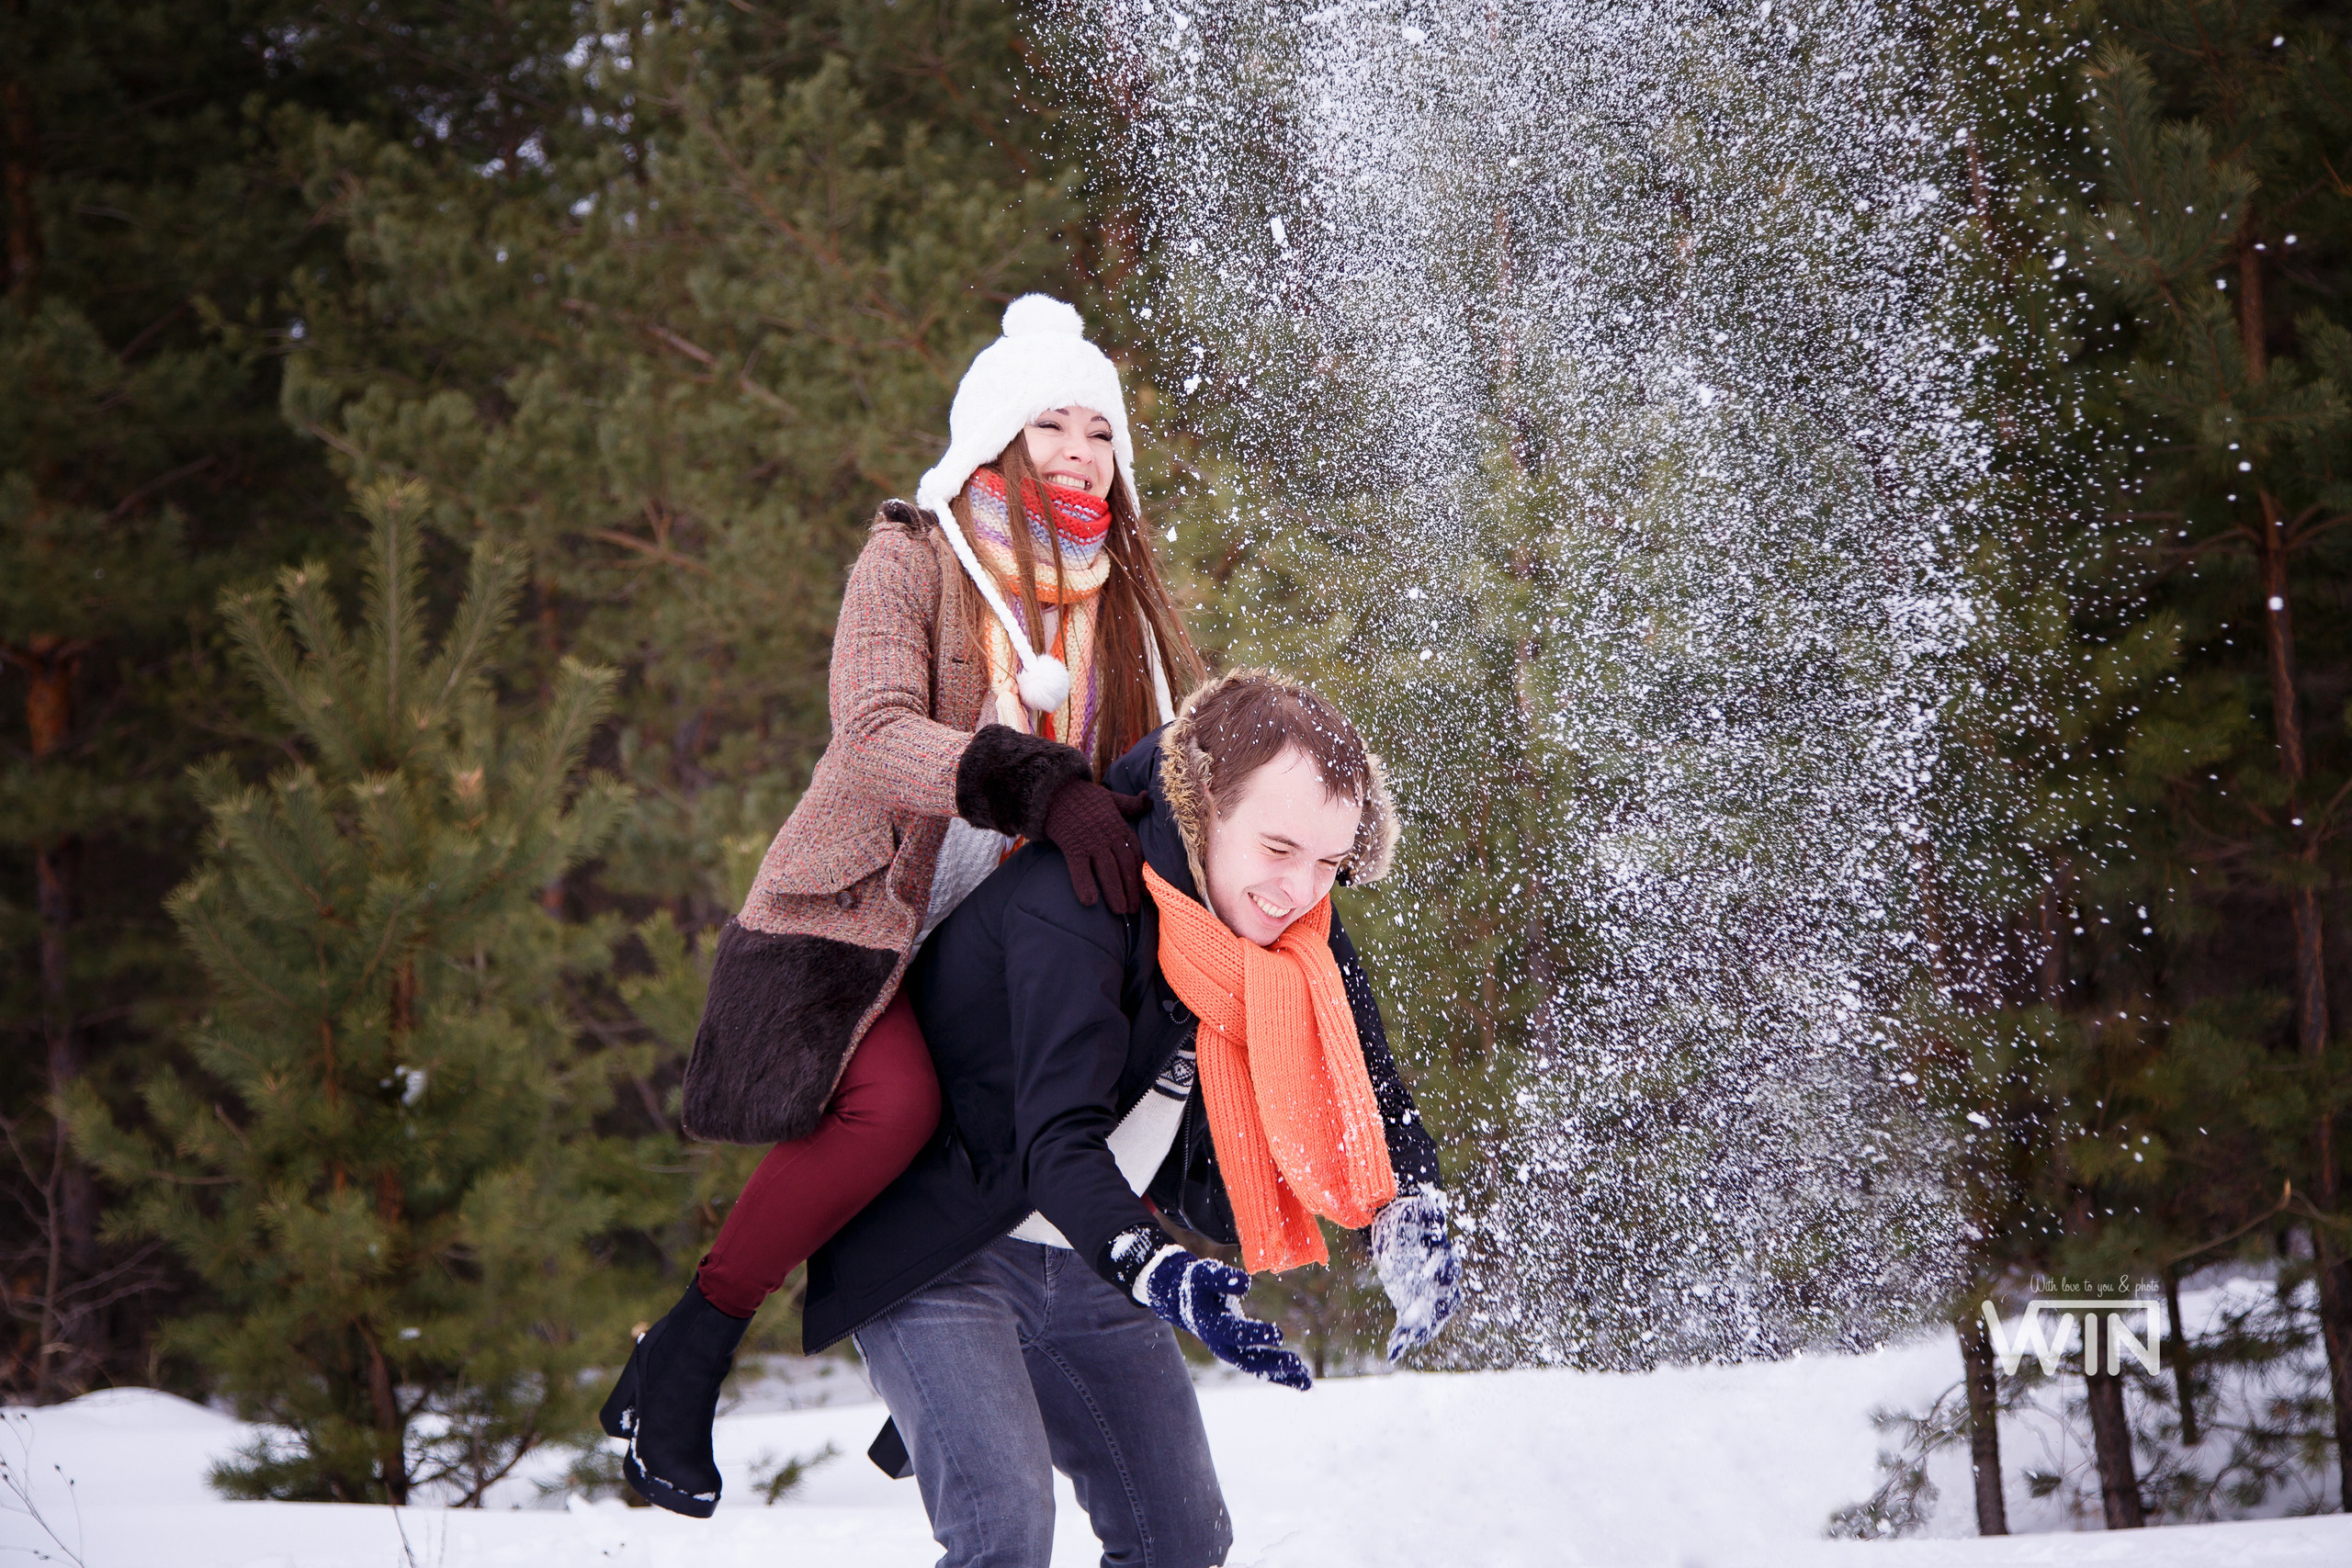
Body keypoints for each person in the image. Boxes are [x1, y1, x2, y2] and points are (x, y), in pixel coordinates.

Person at [599, 295, 1205, 1516]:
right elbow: (872, 735)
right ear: (995, 434)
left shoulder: (1118, 599)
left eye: (1101, 429)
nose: (1083, 450)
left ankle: (935, 1376)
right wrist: (1030, 777)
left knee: (1110, 1078)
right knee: (901, 1104)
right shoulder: (913, 555)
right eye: (1054, 425)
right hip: (870, 921)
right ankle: (689, 1348)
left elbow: (1162, 772)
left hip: (1014, 939)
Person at [801, 669, 1462, 1568]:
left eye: (1327, 863)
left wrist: (1408, 1207)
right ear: (1203, 808)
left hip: (1085, 1250)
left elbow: (1374, 1094)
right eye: (1277, 848)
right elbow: (1053, 1142)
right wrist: (1162, 1273)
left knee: (1180, 1541)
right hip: (943, 1243)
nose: (1299, 890)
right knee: (1003, 1535)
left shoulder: (1297, 930)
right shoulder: (1079, 899)